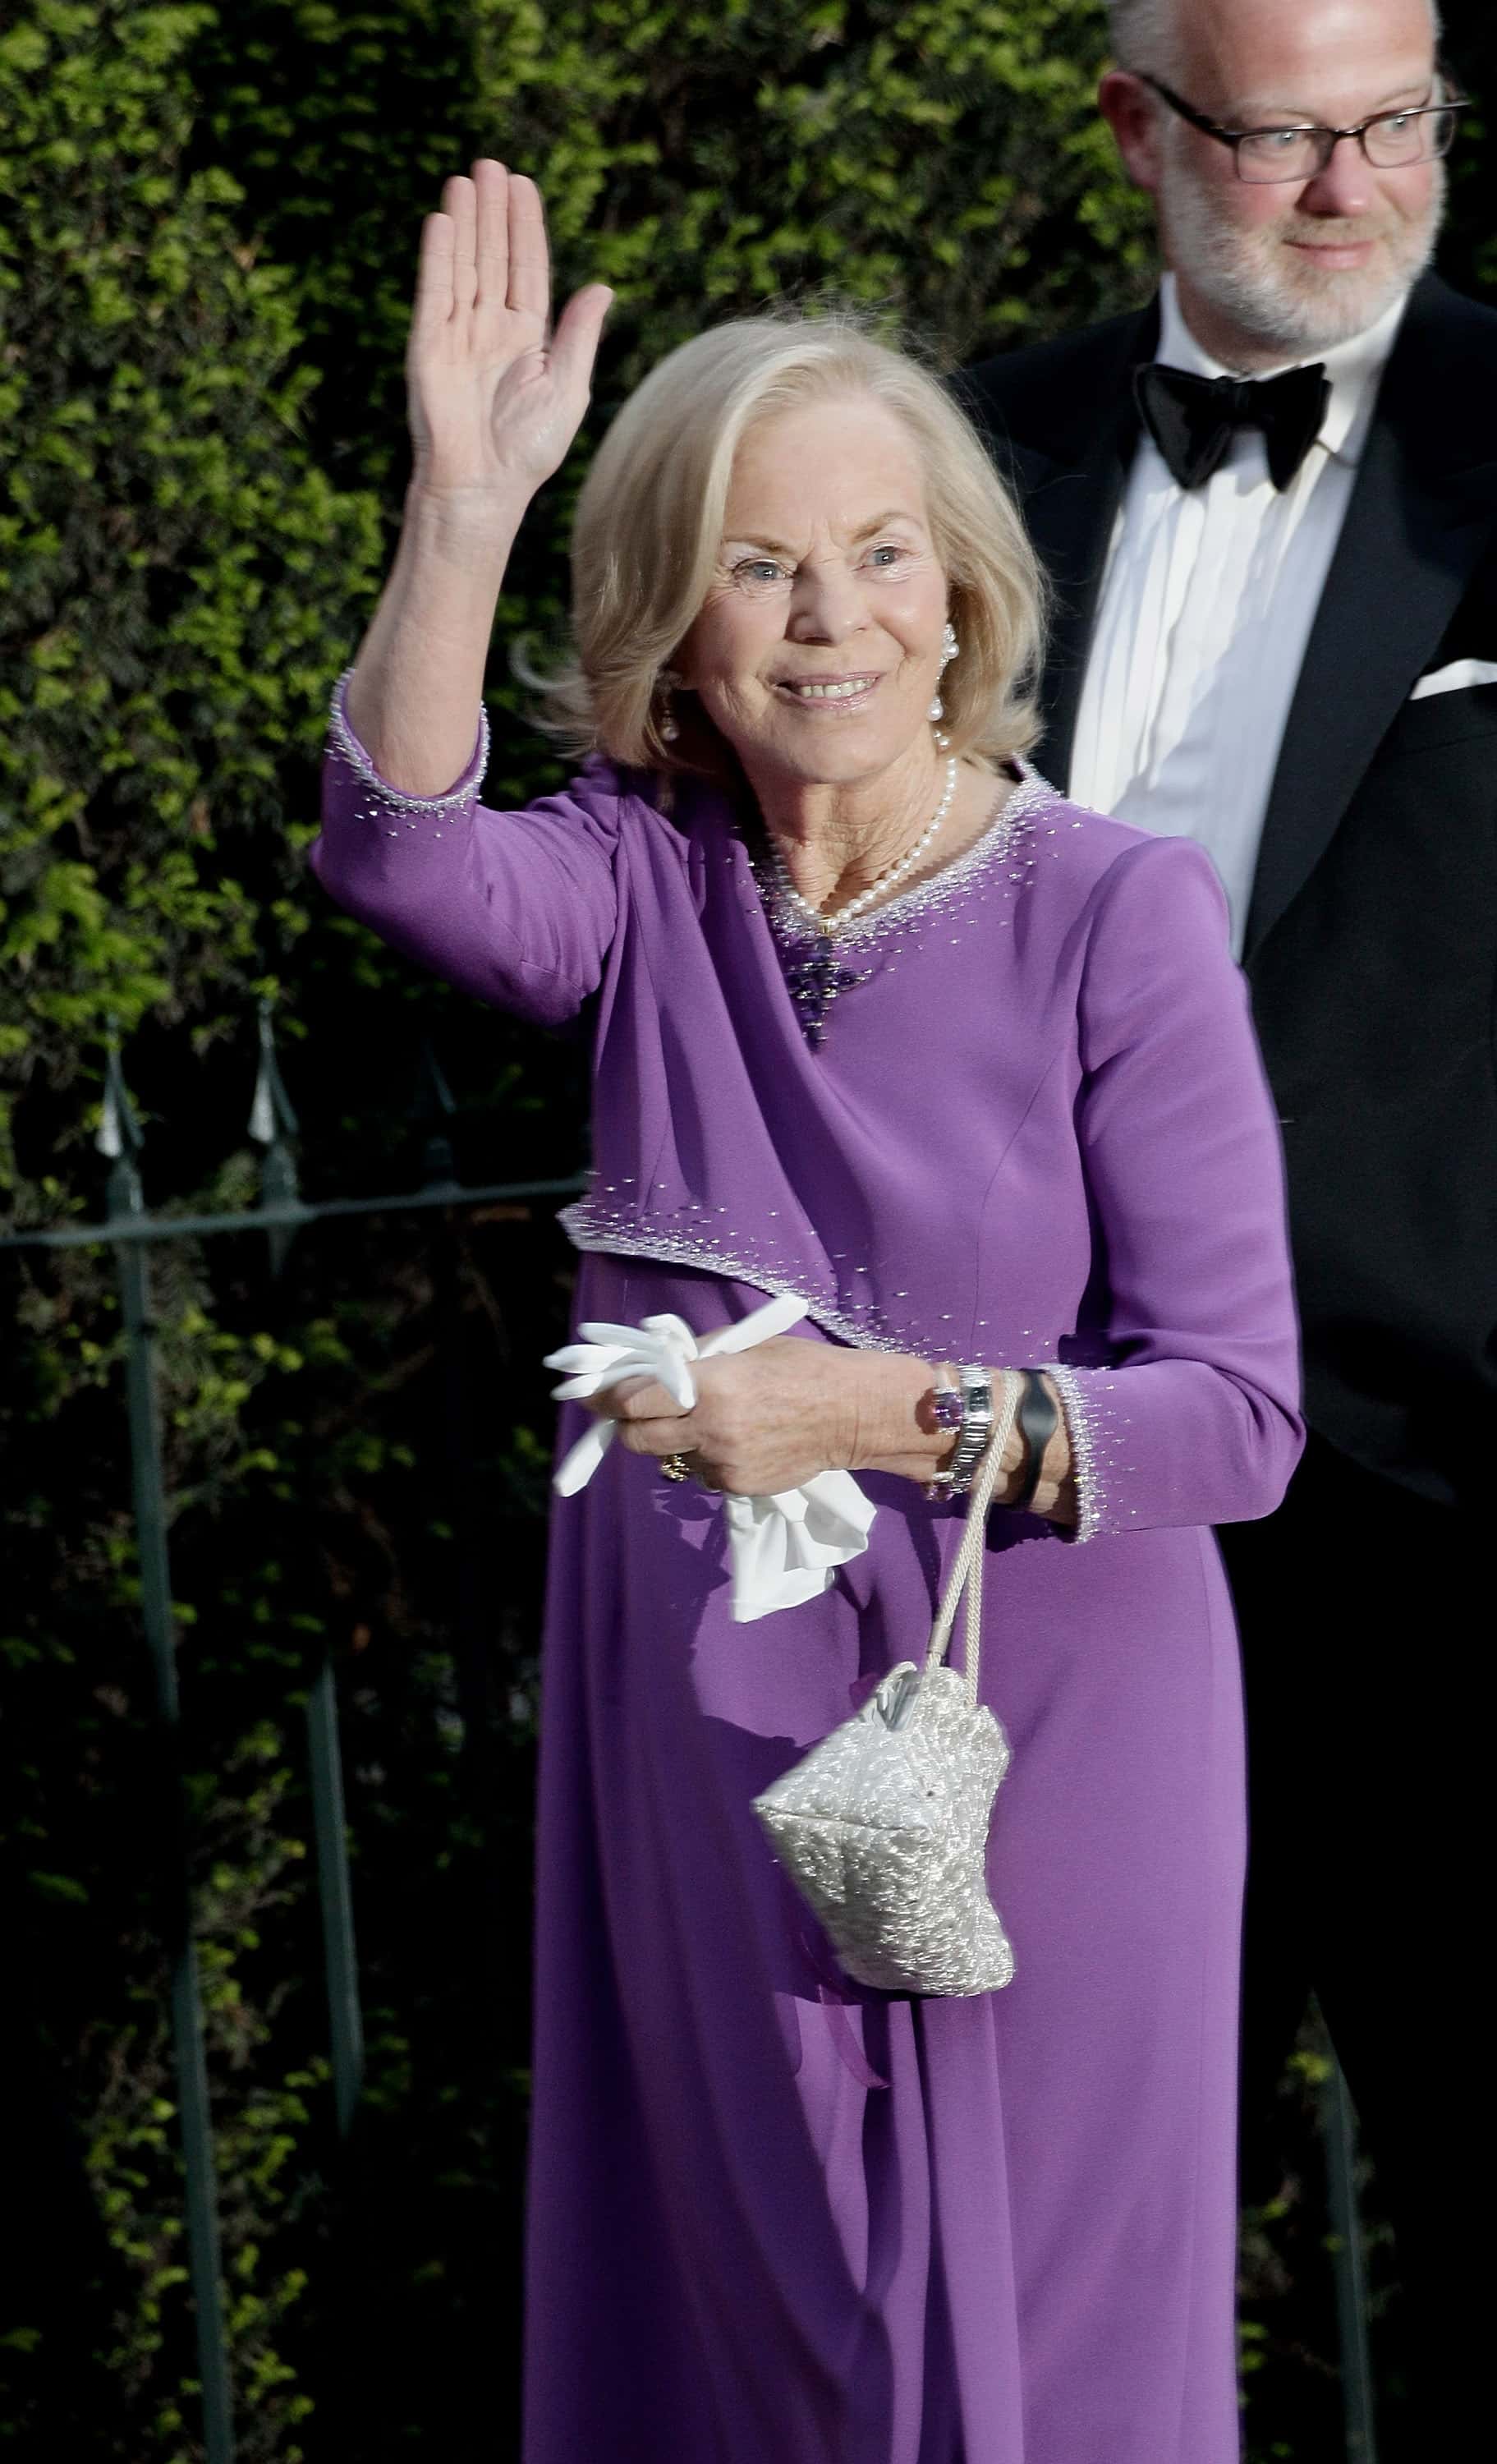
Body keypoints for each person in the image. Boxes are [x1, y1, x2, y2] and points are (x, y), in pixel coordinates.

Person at [310, 160, 1302, 2464]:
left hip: (1058, 1737)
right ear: (676, 619)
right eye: (761, 563)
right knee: (751, 2342)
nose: (829, 617)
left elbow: (1236, 1419)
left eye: (878, 555)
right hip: (716, 1734)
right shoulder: (642, 883)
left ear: (963, 597)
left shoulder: (1112, 915)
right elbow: (395, 849)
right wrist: (461, 510)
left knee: (1043, 2372)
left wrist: (866, 1409)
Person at [958, 0, 1496, 2443]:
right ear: (1132, 127)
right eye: (1285, 137)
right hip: (1051, 1519)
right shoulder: (973, 452)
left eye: (1400, 123)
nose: (1353, 188)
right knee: (1049, 2235)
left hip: (1445, 1511)